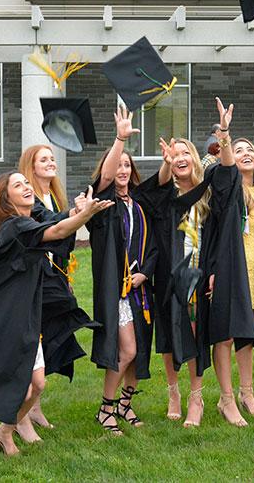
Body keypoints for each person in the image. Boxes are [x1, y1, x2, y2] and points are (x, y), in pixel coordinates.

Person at [0, 173, 111, 457]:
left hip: (25, 315)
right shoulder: (14, 226)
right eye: (18, 185)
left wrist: (77, 213)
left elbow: (54, 225)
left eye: (27, 183)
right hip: (5, 318)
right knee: (10, 383)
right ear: (7, 198)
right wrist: (85, 215)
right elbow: (57, 232)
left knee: (36, 384)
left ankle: (3, 431)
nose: (27, 187)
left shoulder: (28, 224)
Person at [199, 98, 254, 427]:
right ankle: (226, 399)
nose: (246, 153)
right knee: (226, 336)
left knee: (247, 336)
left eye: (251, 150)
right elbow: (227, 167)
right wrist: (226, 132)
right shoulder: (228, 186)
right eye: (239, 149)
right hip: (232, 273)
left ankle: (247, 393)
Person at [14, 144, 101, 440]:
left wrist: (65, 276)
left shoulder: (53, 196)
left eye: (52, 159)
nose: (51, 163)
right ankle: (18, 417)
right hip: (33, 282)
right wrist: (76, 212)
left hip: (53, 279)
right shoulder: (29, 199)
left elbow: (63, 238)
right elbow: (53, 226)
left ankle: (33, 407)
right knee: (35, 342)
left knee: (50, 336)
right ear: (31, 166)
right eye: (43, 159)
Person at [88, 105, 158, 436]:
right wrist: (119, 139)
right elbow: (103, 180)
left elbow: (154, 247)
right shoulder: (101, 205)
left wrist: (144, 273)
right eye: (117, 165)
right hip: (115, 289)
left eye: (127, 164)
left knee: (138, 351)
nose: (122, 169)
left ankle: (125, 405)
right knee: (126, 349)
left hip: (140, 289)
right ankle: (106, 408)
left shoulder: (140, 205)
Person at [136, 136, 211, 427]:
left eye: (185, 153)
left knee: (193, 334)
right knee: (168, 335)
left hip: (197, 275)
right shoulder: (167, 197)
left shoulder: (206, 195)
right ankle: (173, 393)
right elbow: (157, 187)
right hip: (169, 276)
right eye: (174, 154)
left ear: (194, 158)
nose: (180, 158)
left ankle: (196, 397)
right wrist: (165, 165)